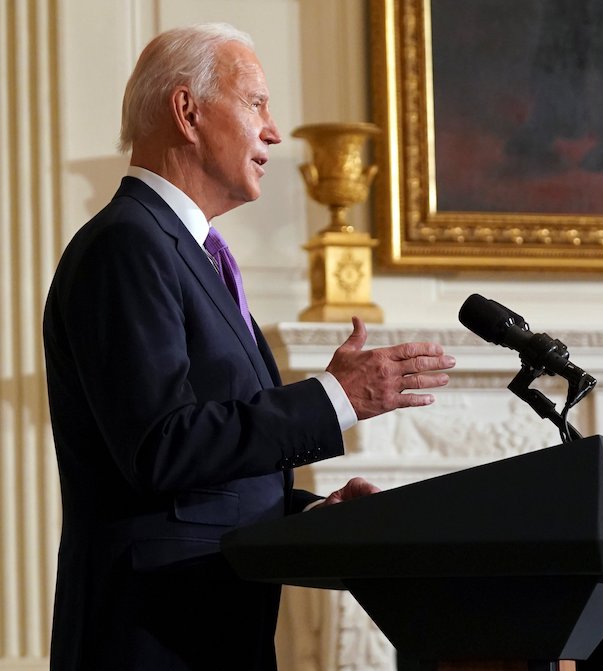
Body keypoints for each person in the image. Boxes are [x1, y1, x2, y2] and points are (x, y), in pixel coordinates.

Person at [42, 22, 455, 671]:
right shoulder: (126, 245)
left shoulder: (190, 255)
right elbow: (161, 447)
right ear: (188, 112)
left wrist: (309, 516)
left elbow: (206, 484)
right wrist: (331, 398)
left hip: (207, 630)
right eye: (256, 103)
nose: (273, 132)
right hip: (150, 637)